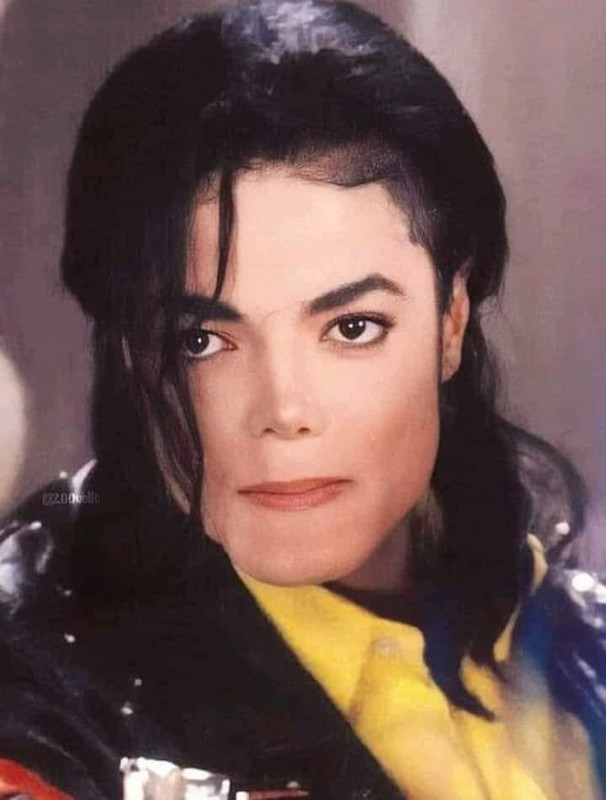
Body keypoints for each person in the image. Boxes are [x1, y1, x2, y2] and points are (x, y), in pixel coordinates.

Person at [0, 1, 604, 798]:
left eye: (352, 327)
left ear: (452, 320)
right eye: (202, 340)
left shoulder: (573, 639)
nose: (283, 409)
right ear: (128, 351)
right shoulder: (36, 698)